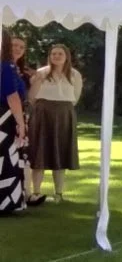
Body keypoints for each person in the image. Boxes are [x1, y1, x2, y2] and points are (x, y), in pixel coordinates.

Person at [28, 43, 84, 203]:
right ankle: (36, 192)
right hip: (42, 114)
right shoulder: (41, 73)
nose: (56, 56)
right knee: (39, 153)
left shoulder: (74, 75)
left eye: (60, 54)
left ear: (66, 56)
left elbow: (75, 97)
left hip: (64, 114)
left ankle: (58, 193)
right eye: (53, 54)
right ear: (49, 56)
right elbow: (32, 97)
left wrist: (61, 109)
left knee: (60, 153)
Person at [0, 29, 31, 217]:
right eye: (14, 45)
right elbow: (12, 97)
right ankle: (6, 202)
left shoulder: (13, 68)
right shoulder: (7, 67)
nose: (18, 49)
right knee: (6, 159)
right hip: (6, 117)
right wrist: (20, 123)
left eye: (21, 47)